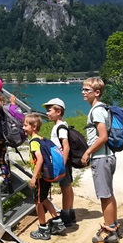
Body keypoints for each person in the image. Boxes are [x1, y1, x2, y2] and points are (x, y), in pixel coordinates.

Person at [80, 76, 121, 243]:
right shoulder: (100, 109)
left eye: (86, 90)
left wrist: (87, 152)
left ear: (97, 93)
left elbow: (102, 136)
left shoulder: (96, 111)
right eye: (82, 89)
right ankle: (113, 227)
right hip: (107, 156)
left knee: (104, 195)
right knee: (108, 194)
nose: (83, 93)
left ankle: (109, 231)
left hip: (101, 158)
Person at [26, 113, 65, 240]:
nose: (23, 128)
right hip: (46, 176)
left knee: (38, 202)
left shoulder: (33, 142)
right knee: (44, 199)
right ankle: (58, 222)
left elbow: (40, 158)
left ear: (34, 127)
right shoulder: (42, 138)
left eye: (26, 125)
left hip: (40, 177)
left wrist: (33, 177)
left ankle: (43, 229)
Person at [42, 97, 76, 228]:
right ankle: (70, 211)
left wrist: (62, 163)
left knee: (65, 188)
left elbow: (65, 146)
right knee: (68, 187)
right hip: (63, 161)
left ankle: (66, 215)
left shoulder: (60, 127)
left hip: (62, 162)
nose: (47, 113)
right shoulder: (59, 126)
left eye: (49, 110)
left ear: (58, 112)